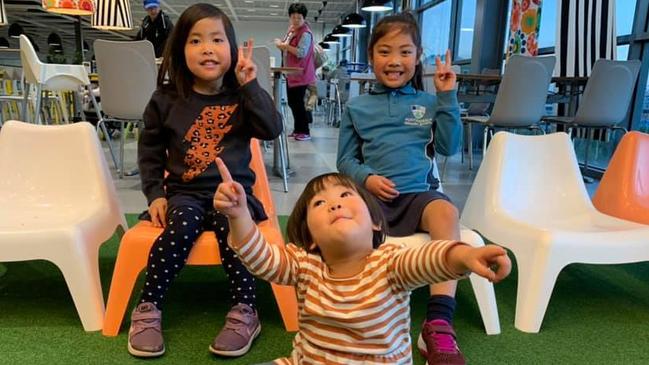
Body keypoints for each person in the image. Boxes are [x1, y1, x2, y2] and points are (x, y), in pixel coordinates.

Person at [214, 168, 511, 364]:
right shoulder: (303, 264)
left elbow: (432, 258)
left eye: (345, 195)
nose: (334, 204)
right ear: (312, 239)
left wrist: (464, 256)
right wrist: (239, 215)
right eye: (319, 203)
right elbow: (260, 259)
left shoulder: (391, 263)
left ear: (375, 222)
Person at [128, 3, 282, 359]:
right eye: (196, 40)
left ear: (231, 48)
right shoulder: (165, 100)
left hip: (234, 196)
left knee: (236, 231)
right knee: (180, 227)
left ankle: (246, 309)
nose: (208, 48)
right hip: (185, 195)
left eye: (217, 39)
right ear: (181, 49)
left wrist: (251, 86)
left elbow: (273, 130)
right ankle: (149, 305)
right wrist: (155, 195)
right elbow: (149, 152)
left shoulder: (242, 97)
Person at [336, 12, 469, 365]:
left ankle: (439, 321)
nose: (395, 61)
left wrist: (447, 97)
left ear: (418, 56)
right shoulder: (356, 106)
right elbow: (344, 161)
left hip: (419, 197)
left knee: (446, 211)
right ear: (371, 56)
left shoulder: (429, 103)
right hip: (372, 200)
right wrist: (366, 178)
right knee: (339, 225)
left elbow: (449, 146)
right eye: (385, 52)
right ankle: (350, 310)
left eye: (405, 52)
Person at [273, 2, 316, 141]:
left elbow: (301, 52)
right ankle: (298, 129)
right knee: (293, 102)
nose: (296, 20)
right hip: (291, 73)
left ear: (304, 18)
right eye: (293, 17)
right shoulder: (292, 30)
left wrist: (284, 46)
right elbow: (286, 47)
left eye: (299, 17)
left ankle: (305, 131)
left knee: (297, 103)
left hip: (300, 74)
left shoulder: (305, 33)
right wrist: (281, 45)